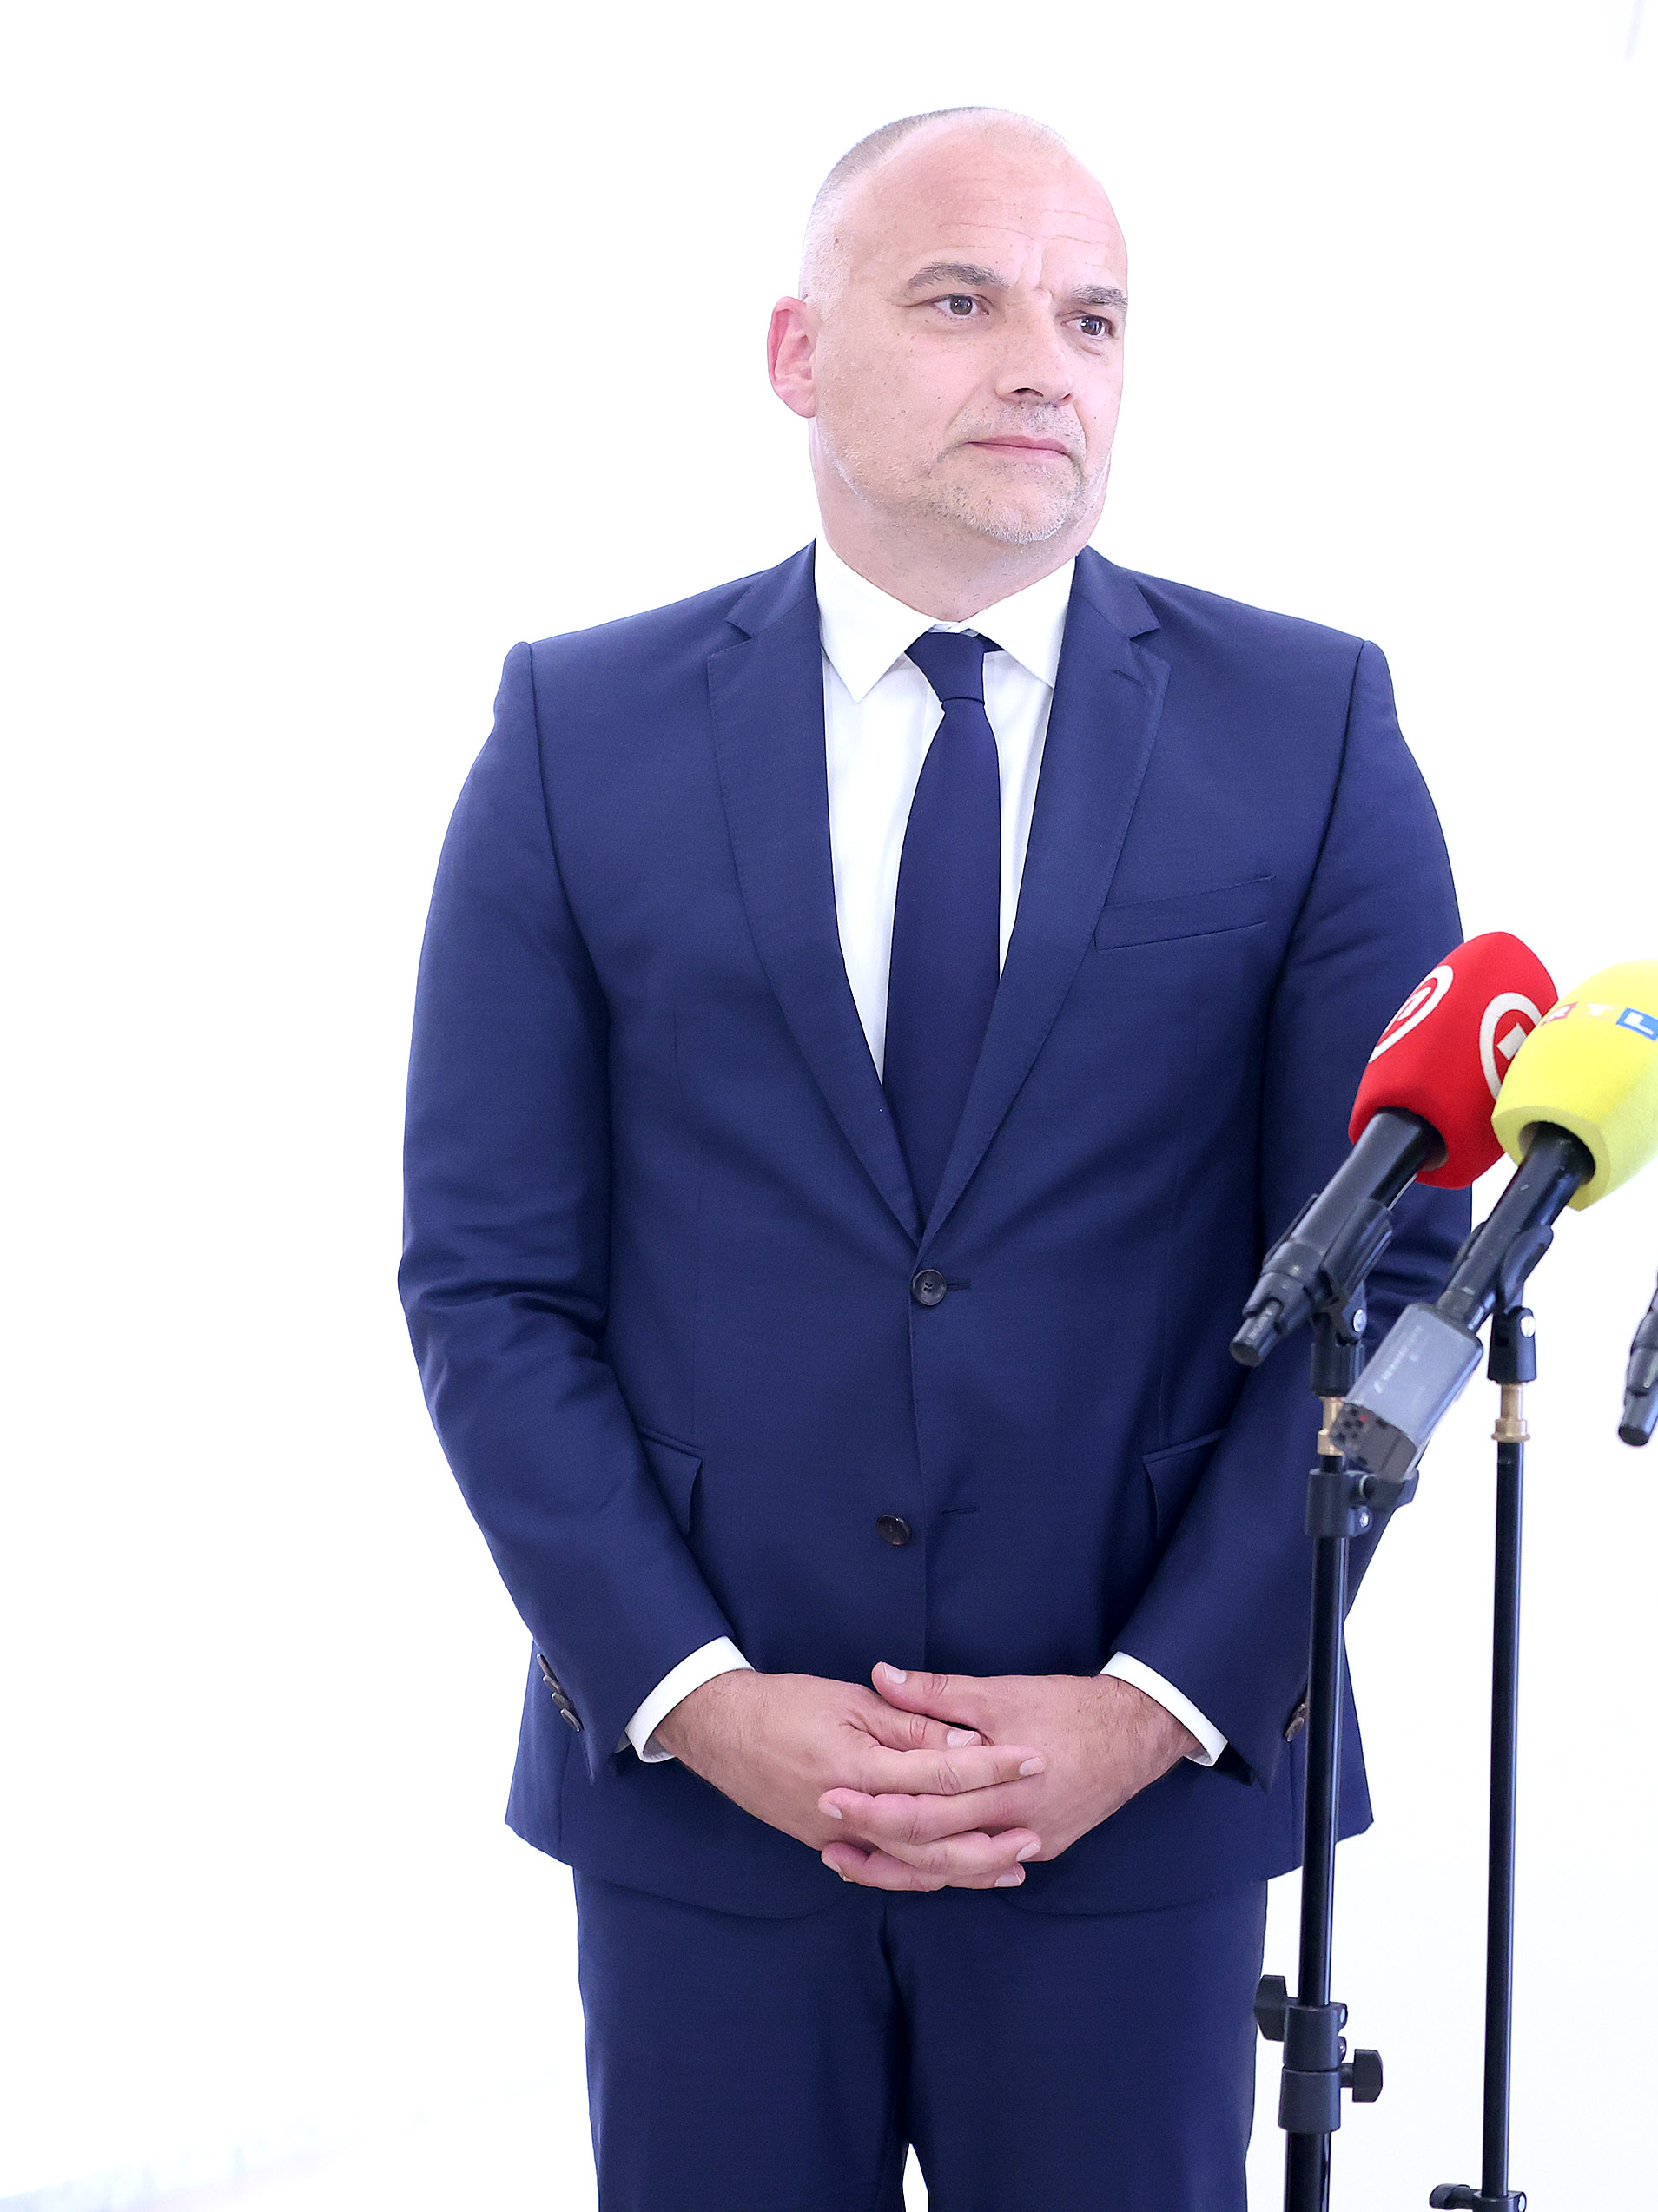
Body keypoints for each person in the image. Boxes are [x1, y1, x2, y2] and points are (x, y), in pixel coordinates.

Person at [399, 107, 1463, 2209]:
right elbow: (487, 1282)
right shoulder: (576, 733)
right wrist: (699, 1696)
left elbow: (1412, 1274)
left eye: (1092, 318)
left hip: (1133, 1809)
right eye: (963, 302)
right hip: (705, 1810)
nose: (1043, 364)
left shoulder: (1309, 726)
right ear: (797, 352)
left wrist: (1153, 1701)